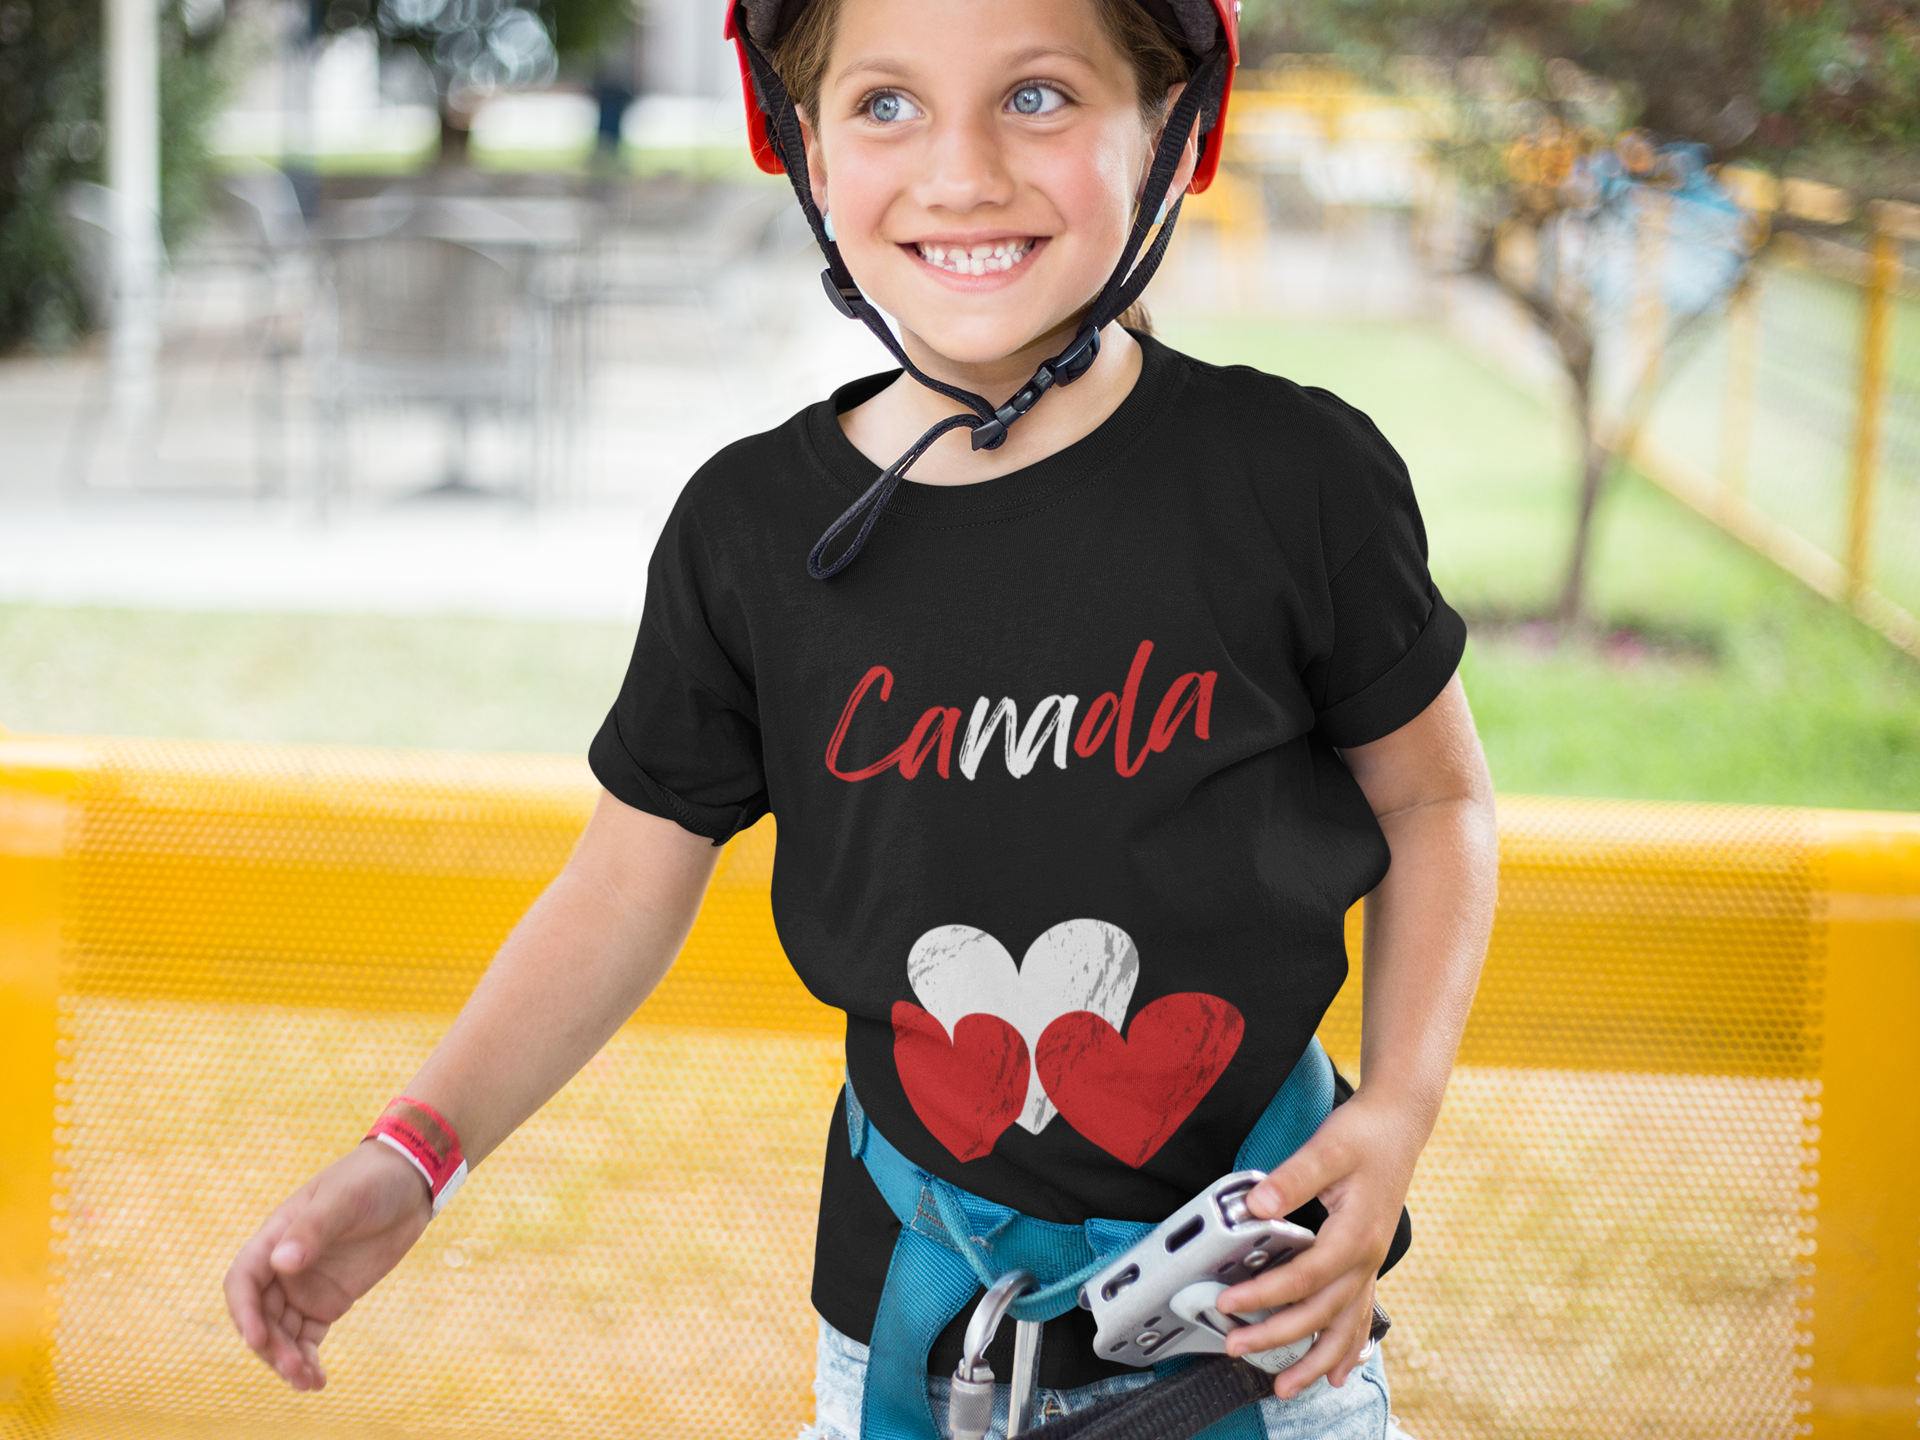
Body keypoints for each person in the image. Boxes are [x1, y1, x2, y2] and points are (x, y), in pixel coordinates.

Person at [223, 0, 1499, 1435]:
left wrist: (1393, 1112)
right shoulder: (749, 533)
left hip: (1266, 1342)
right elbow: (621, 889)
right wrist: (416, 1151)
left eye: (1037, 98)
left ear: (1169, 129)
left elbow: (1434, 803)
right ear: (808, 152)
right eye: (886, 104)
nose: (960, 173)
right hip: (911, 1345)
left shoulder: (1294, 478)